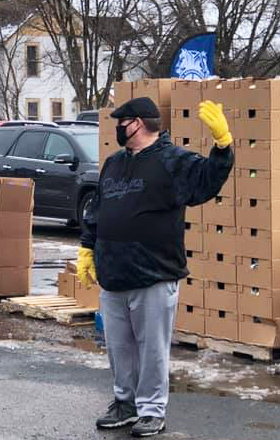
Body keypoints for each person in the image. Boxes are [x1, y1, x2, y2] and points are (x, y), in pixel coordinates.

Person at [77, 98, 234, 437]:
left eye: (124, 121)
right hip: (114, 273)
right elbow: (98, 209)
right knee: (119, 347)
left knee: (151, 348)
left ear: (141, 123)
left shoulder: (171, 160)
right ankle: (125, 402)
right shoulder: (114, 163)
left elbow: (206, 181)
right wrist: (87, 249)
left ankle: (151, 409)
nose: (119, 127)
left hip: (153, 273)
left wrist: (223, 146)